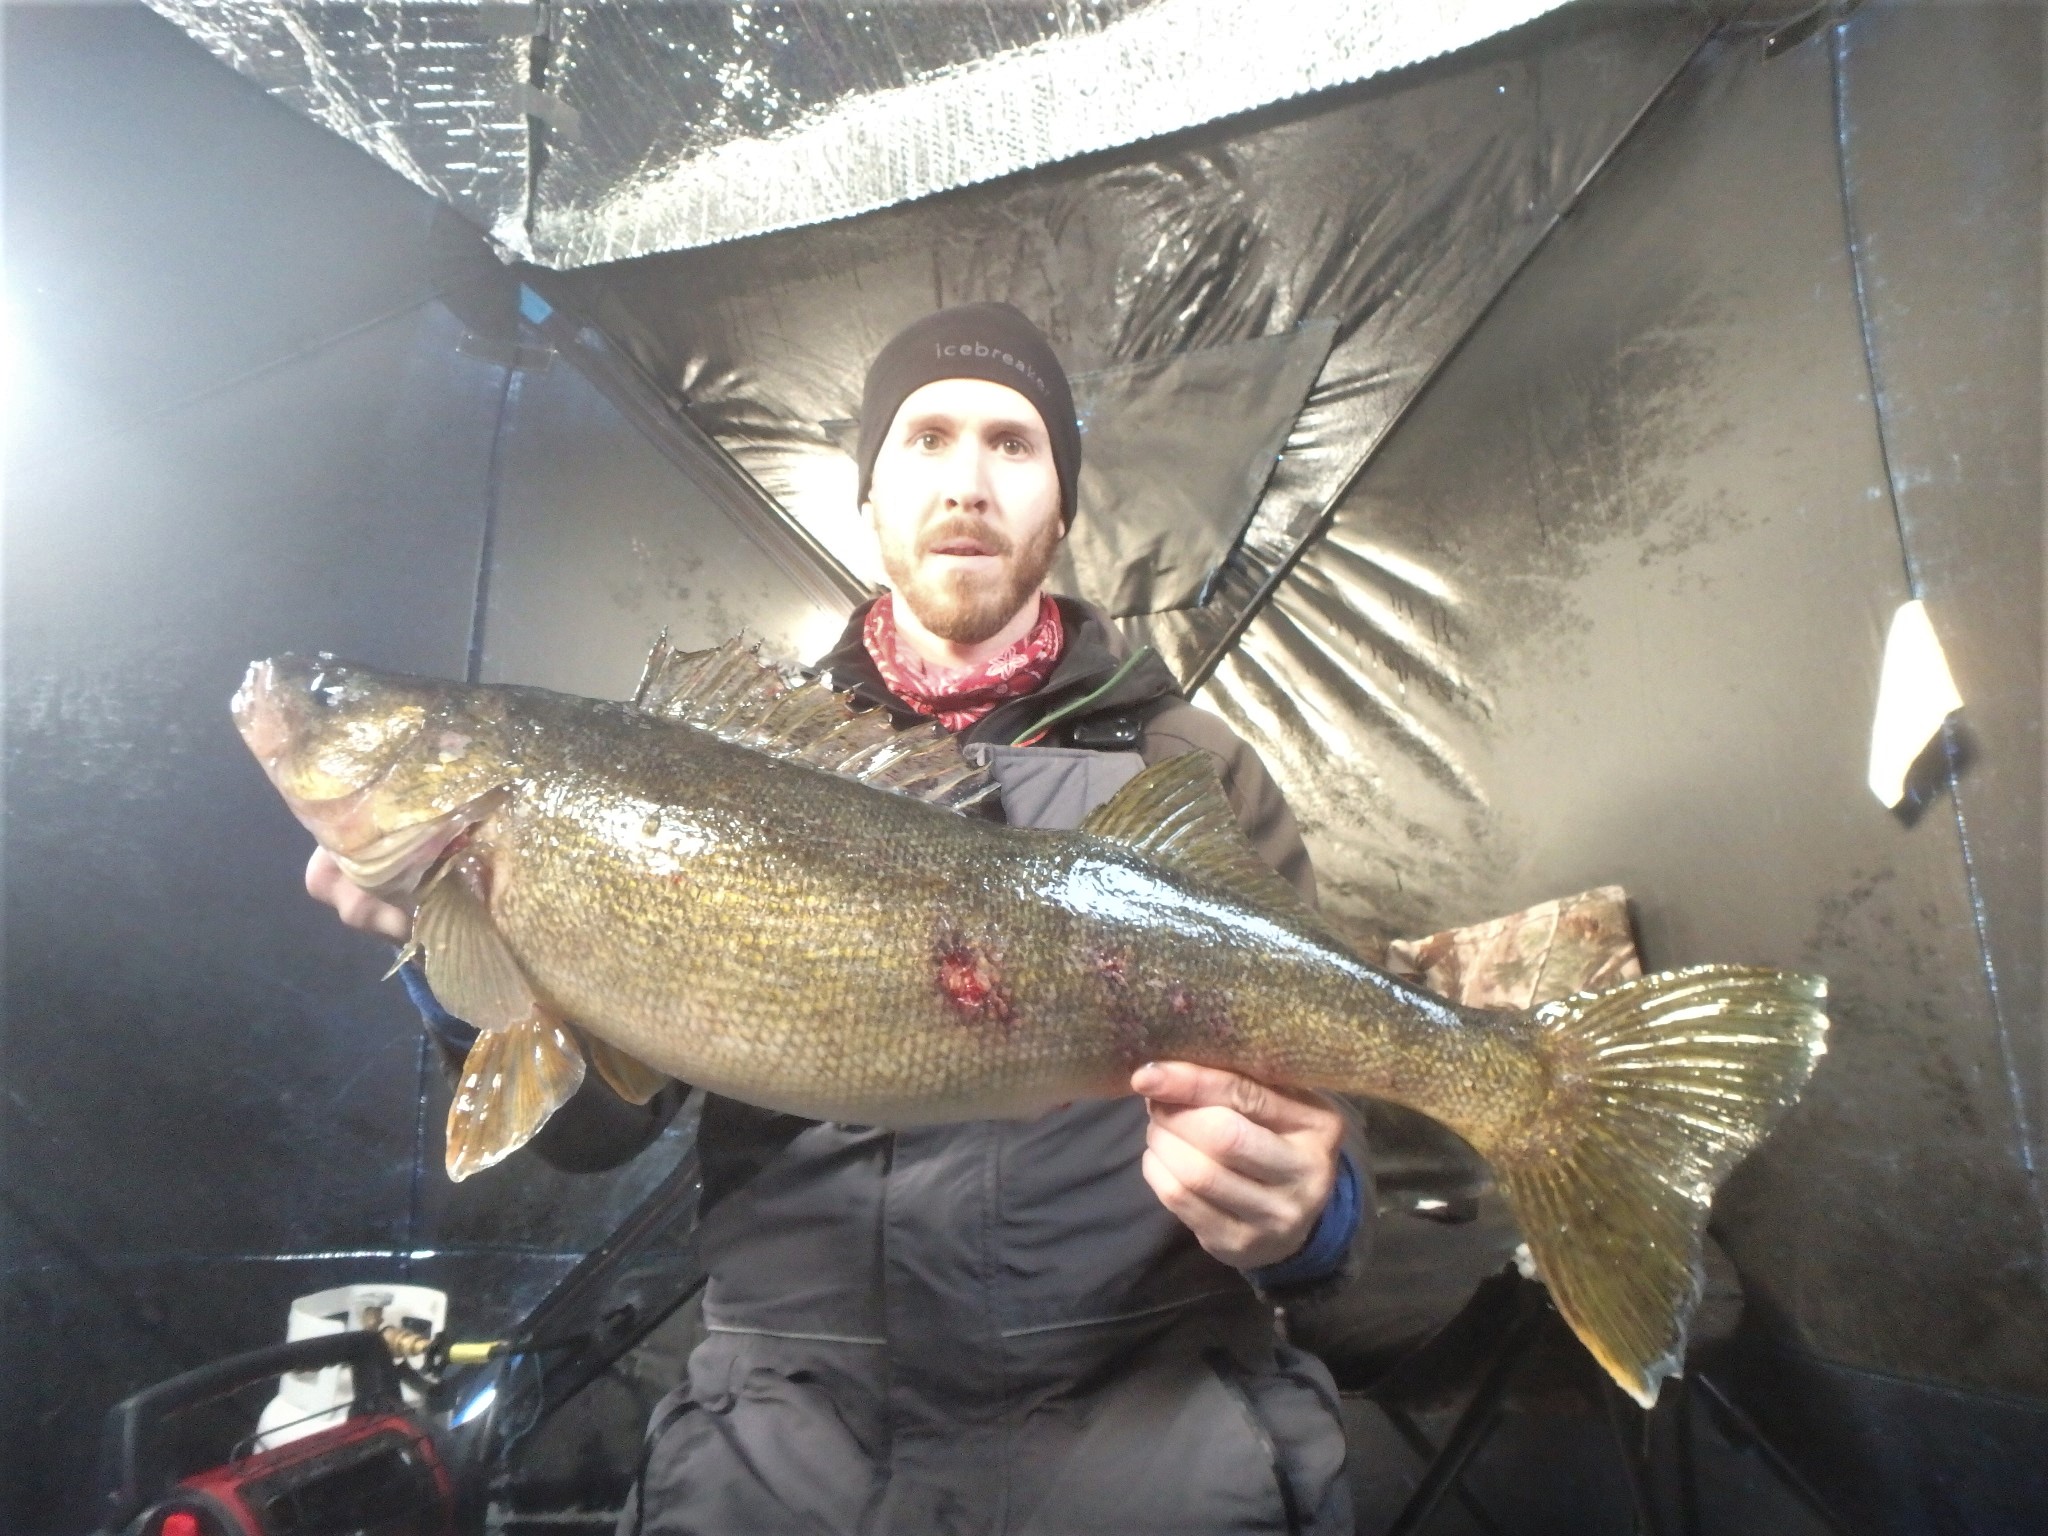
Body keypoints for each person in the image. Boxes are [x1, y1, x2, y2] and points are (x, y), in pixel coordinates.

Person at [308, 303, 1369, 1534]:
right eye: (923, 438)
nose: (967, 481)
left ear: (1061, 508)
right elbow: (597, 1132)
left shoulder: (1191, 771)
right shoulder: (707, 760)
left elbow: (1330, 1106)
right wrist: (454, 963)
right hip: (790, 1427)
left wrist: (1310, 1218)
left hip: (1153, 1411)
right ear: (865, 496)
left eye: (1012, 445)